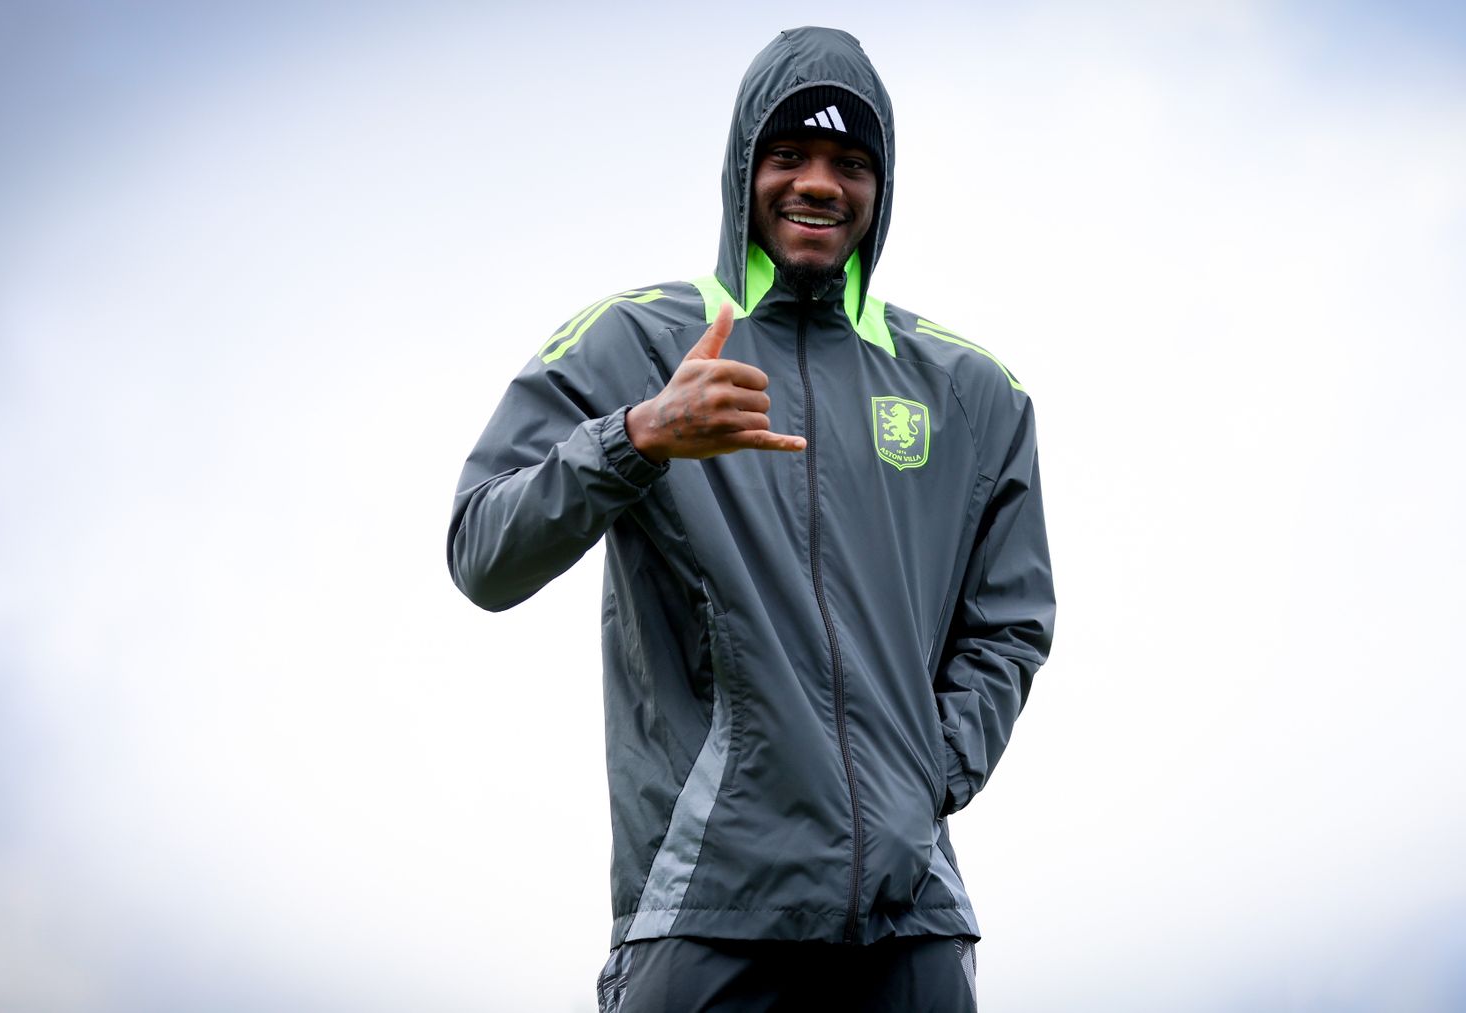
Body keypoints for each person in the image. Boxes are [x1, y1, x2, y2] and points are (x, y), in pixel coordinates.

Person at [448, 26, 1053, 1012]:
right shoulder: (639, 339)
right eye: (789, 155)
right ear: (744, 171)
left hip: (912, 924)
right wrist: (638, 436)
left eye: (849, 162)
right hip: (702, 914)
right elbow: (481, 549)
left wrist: (925, 775)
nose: (818, 182)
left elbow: (1011, 623)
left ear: (881, 184)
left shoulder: (972, 392)